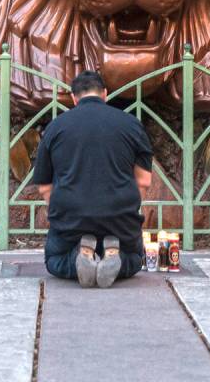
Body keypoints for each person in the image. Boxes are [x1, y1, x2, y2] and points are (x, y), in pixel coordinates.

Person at [33, 70, 153, 288]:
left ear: (74, 98)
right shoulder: (131, 125)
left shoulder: (55, 127)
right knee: (135, 260)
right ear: (105, 94)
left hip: (71, 218)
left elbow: (44, 187)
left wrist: (61, 212)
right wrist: (125, 208)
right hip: (120, 219)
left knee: (53, 261)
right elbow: (144, 181)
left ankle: (78, 257)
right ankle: (114, 257)